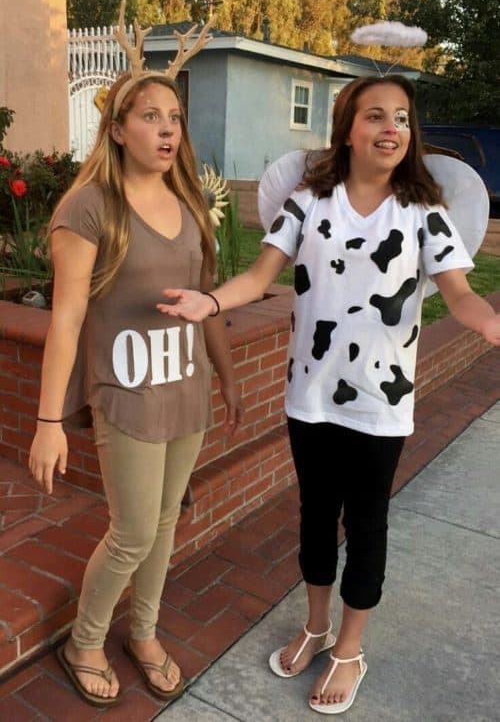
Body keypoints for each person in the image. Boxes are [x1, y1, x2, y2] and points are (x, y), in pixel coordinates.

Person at [157, 75, 500, 715]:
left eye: (402, 118)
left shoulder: (424, 212)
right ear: (347, 130)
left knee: (366, 526)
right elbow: (259, 275)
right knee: (316, 518)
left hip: (380, 403)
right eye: (376, 116)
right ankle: (316, 626)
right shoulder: (310, 201)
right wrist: (210, 301)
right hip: (310, 397)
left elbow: (457, 292)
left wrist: (488, 321)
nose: (392, 128)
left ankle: (350, 647)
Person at [28, 65, 242, 708]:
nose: (167, 129)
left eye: (174, 118)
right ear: (118, 130)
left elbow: (208, 301)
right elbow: (66, 319)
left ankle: (143, 633)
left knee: (165, 523)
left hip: (186, 391)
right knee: (132, 533)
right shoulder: (89, 208)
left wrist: (227, 376)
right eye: (150, 116)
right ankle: (85, 642)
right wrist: (47, 423)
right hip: (127, 395)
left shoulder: (190, 203)